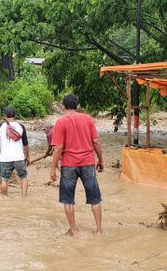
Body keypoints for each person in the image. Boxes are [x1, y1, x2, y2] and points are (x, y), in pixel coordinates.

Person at [49, 94, 104, 237]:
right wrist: (101, 160)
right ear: (78, 106)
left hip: (68, 165)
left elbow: (58, 148)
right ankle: (98, 230)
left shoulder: (61, 122)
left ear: (63, 107)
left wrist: (53, 167)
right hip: (88, 163)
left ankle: (75, 231)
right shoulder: (88, 119)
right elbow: (96, 142)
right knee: (95, 198)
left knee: (68, 200)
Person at [0, 106, 30, 197]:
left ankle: (4, 199)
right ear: (15, 115)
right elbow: (25, 145)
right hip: (19, 157)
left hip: (5, 158)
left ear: (4, 115)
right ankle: (24, 198)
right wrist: (27, 156)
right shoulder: (21, 126)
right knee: (23, 177)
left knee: (4, 179)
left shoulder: (0, 126)